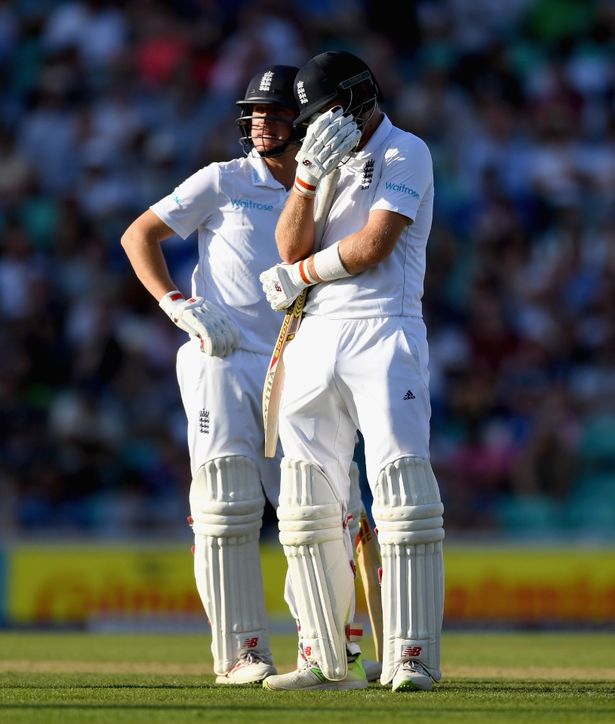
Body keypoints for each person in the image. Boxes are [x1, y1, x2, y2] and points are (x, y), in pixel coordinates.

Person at [259, 50, 444, 692]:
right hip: (316, 334)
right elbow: (288, 245)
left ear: (364, 100)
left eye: (332, 110)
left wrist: (301, 275)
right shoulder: (322, 157)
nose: (322, 125)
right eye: (316, 116)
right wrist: (307, 181)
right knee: (308, 503)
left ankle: (411, 656)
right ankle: (323, 659)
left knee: (400, 495)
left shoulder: (406, 151)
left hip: (384, 330)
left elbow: (372, 246)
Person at [120, 64, 302, 685]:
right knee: (227, 505)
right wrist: (177, 304)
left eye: (274, 113)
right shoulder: (222, 180)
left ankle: (325, 648)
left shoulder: (325, 192)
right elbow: (138, 236)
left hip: (292, 362)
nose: (260, 123)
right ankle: (241, 653)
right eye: (254, 112)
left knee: (312, 509)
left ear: (303, 122)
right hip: (219, 356)